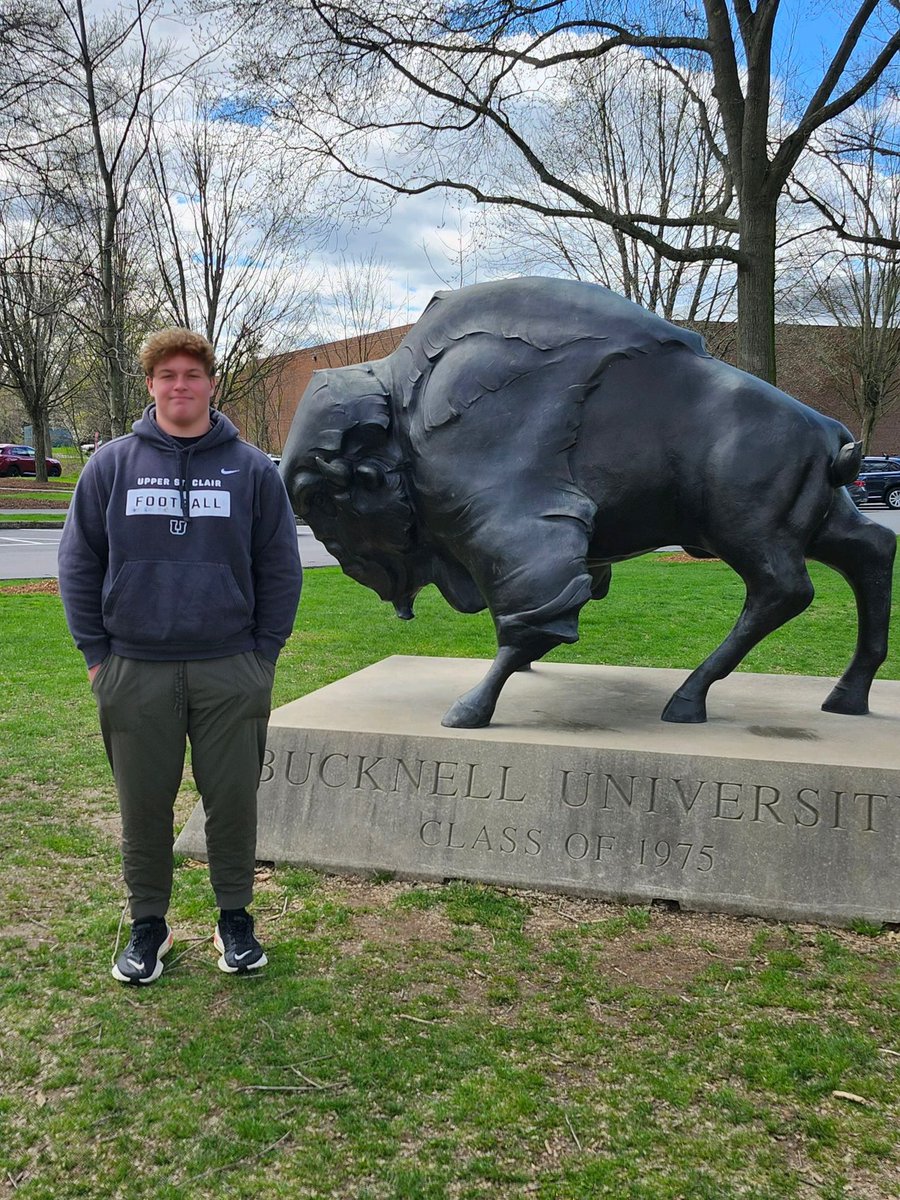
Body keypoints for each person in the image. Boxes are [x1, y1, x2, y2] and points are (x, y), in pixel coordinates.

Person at [59, 329, 302, 984]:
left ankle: (235, 920)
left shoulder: (252, 469)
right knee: (143, 804)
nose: (180, 385)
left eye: (192, 373)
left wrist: (263, 657)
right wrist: (96, 658)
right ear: (150, 385)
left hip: (230, 666)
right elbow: (79, 564)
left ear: (212, 383)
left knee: (232, 800)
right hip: (134, 670)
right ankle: (149, 926)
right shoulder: (111, 465)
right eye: (166, 374)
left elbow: (280, 568)